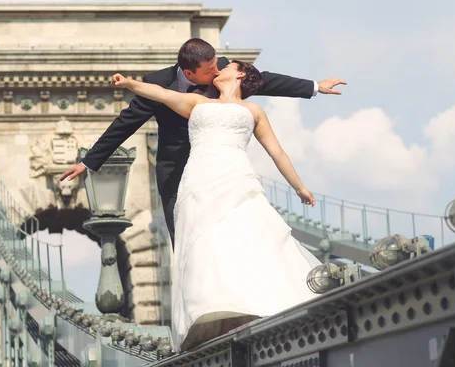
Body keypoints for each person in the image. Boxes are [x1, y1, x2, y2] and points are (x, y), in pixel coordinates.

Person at [108, 60, 323, 352]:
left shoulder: (254, 111)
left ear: (241, 74)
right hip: (197, 182)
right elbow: (160, 94)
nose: (218, 68)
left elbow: (277, 151)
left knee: (245, 240)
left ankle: (248, 306)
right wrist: (129, 83)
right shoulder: (197, 103)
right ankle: (215, 317)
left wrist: (299, 187)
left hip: (236, 178)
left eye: (228, 66)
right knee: (205, 246)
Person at [60, 38, 346, 247]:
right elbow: (127, 121)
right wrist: (89, 161)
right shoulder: (160, 82)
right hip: (176, 164)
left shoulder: (221, 71)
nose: (217, 72)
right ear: (189, 73)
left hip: (219, 166)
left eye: (217, 65)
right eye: (209, 70)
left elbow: (266, 81)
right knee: (181, 233)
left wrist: (315, 87)